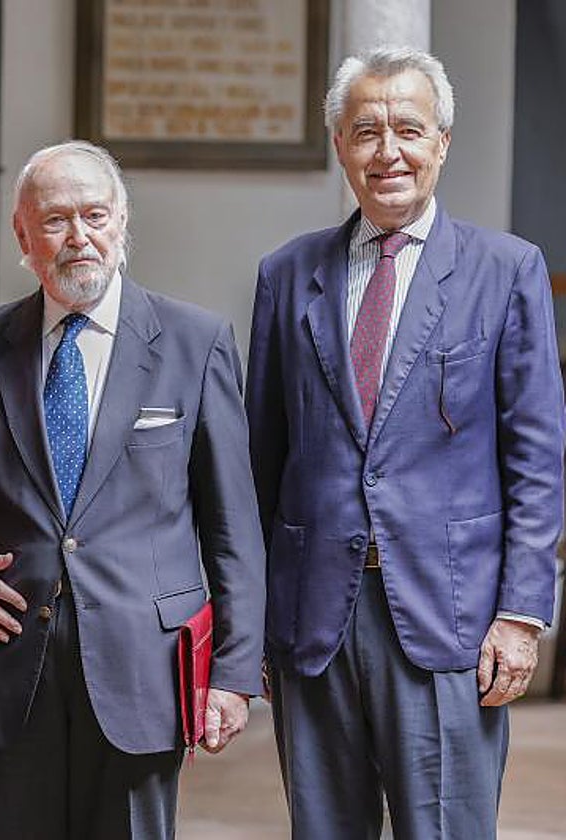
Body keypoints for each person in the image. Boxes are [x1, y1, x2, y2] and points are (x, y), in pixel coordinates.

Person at [0, 140, 266, 839]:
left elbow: (232, 527)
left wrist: (234, 672)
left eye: (94, 215)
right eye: (56, 219)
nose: (78, 237)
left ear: (122, 222)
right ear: (23, 234)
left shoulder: (196, 342)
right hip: (5, 664)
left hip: (143, 672)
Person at [247, 46, 565, 839]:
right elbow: (261, 457)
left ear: (442, 143)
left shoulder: (506, 269)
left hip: (450, 615)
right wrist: (245, 616)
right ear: (340, 149)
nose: (388, 151)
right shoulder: (287, 275)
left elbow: (537, 458)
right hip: (314, 613)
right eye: (365, 131)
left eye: (408, 130)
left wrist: (522, 615)